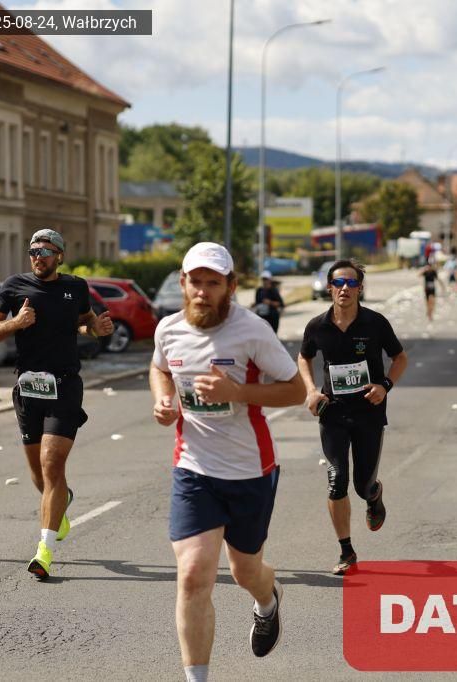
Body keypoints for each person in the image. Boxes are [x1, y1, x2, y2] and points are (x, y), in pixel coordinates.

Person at [149, 242, 305, 680]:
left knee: (245, 570)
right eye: (195, 282)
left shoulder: (252, 331)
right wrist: (163, 399)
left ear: (231, 286)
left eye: (213, 283)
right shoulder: (169, 329)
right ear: (183, 283)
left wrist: (237, 392)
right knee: (193, 575)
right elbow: (160, 368)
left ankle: (268, 600)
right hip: (194, 468)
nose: (202, 291)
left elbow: (295, 390)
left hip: (249, 470)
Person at [0, 228, 114, 580]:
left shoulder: (76, 287)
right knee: (39, 475)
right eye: (33, 252)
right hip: (28, 388)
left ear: (59, 256)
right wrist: (16, 322)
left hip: (64, 386)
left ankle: (44, 551)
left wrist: (96, 329)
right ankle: (61, 503)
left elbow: (84, 323)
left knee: (52, 464)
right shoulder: (14, 286)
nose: (37, 258)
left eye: (44, 252)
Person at [298, 260, 408, 575]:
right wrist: (311, 391)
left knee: (362, 485)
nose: (344, 288)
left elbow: (400, 358)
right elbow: (304, 357)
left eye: (351, 283)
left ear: (360, 288)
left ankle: (374, 495)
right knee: (336, 481)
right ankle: (347, 551)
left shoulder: (375, 323)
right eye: (338, 283)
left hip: (368, 413)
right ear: (329, 288)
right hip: (332, 412)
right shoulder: (317, 326)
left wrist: (384, 385)